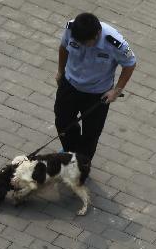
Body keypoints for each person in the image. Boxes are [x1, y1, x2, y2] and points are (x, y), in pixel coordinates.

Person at [54, 13, 136, 168]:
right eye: (80, 42)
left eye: (87, 42)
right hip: (70, 84)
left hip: (98, 94)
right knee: (63, 122)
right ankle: (70, 151)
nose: (84, 45)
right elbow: (63, 47)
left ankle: (81, 164)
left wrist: (116, 91)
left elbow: (130, 64)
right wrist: (60, 71)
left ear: (97, 33)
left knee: (91, 133)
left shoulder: (114, 42)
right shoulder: (72, 28)